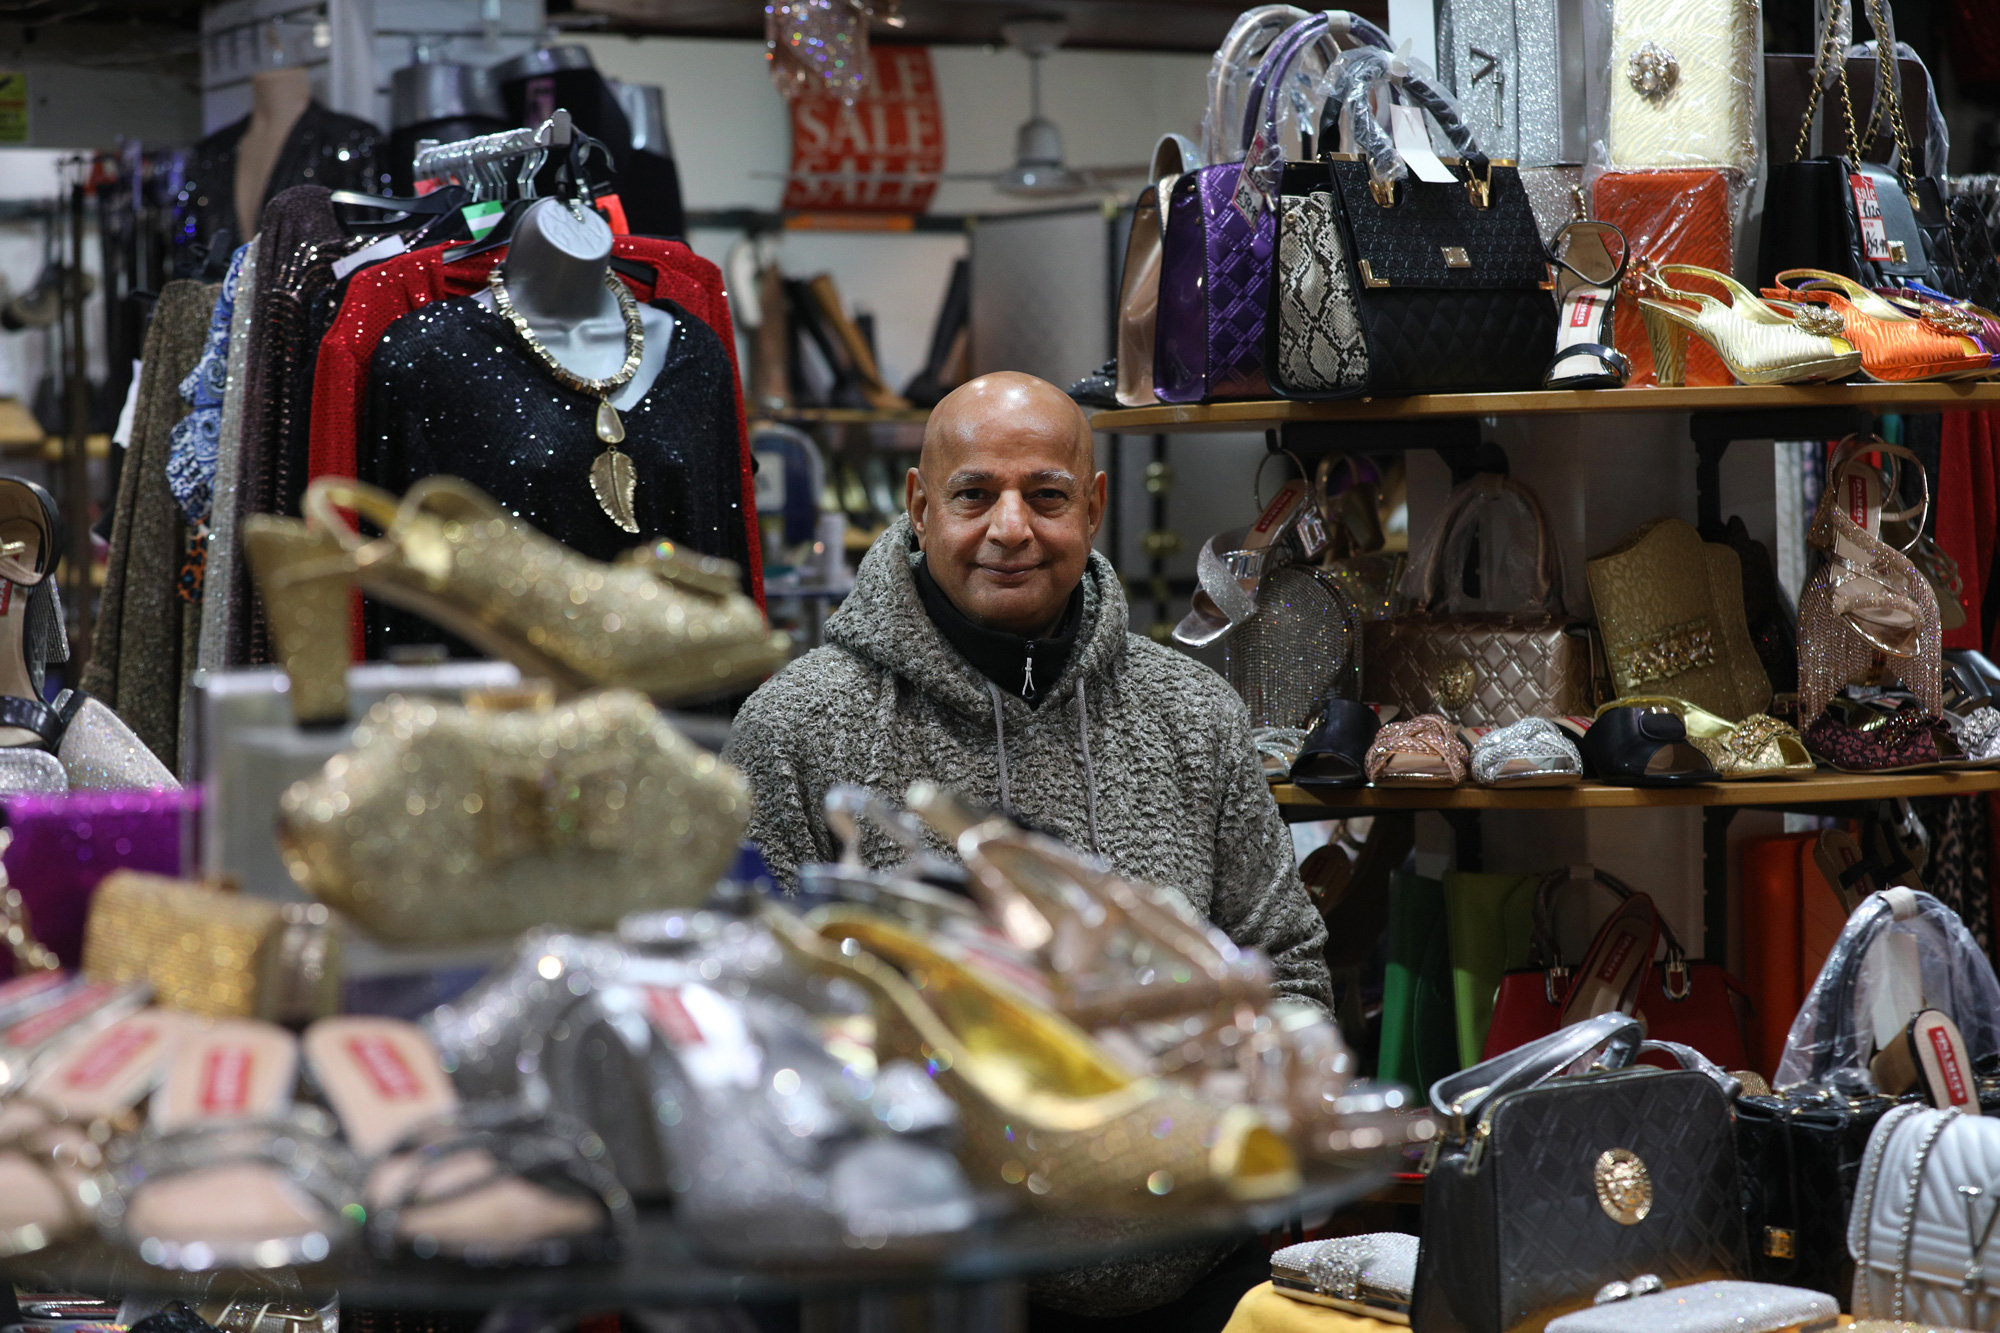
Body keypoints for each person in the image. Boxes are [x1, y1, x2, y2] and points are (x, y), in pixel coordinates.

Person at [721, 371, 1332, 1324]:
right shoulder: (799, 727)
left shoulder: (1193, 714)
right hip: (923, 1296)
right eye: (974, 495)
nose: (1011, 527)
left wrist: (1239, 1129)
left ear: (1093, 507)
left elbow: (1285, 961)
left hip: (1196, 1280)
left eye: (1046, 495)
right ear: (919, 506)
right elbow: (748, 1025)